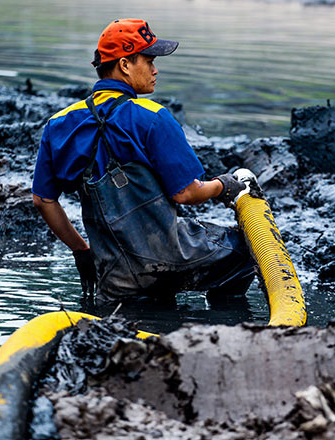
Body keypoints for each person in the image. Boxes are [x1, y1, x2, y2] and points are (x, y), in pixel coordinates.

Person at [32, 19, 255, 304]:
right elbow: (186, 193)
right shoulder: (152, 116)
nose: (155, 69)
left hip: (113, 276)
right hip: (175, 260)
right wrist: (223, 186)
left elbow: (43, 201)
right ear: (125, 64)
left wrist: (82, 251)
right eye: (149, 61)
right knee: (245, 253)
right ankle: (222, 328)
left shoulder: (58, 124)